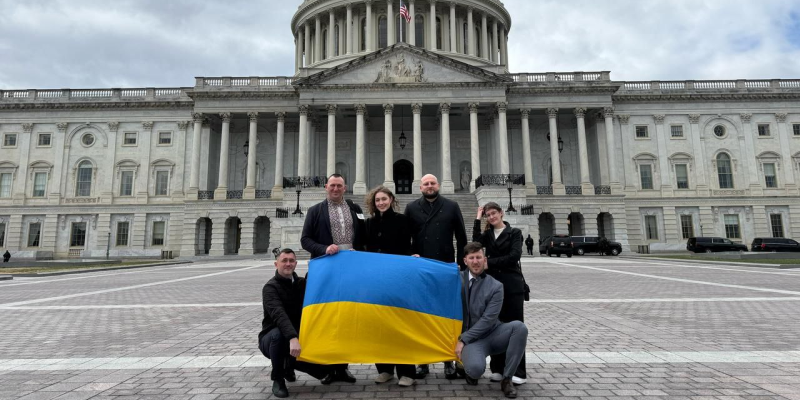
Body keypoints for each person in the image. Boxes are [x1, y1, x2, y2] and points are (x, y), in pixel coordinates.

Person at [300, 173, 364, 383]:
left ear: (345, 188)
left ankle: (343, 367)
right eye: (332, 185)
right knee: (327, 318)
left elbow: (363, 236)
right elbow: (305, 240)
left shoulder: (355, 209)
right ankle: (328, 367)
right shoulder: (315, 211)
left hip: (350, 269)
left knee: (346, 317)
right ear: (326, 187)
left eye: (339, 186)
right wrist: (324, 248)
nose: (336, 189)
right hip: (326, 268)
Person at [404, 174, 468, 379]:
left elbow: (461, 236)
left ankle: (448, 360)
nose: (429, 186)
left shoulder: (451, 205)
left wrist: (460, 265)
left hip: (445, 266)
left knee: (445, 316)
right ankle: (423, 360)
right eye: (426, 184)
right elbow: (406, 238)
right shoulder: (411, 208)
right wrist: (408, 258)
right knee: (421, 316)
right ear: (420, 187)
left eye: (432, 183)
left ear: (438, 185)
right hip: (420, 268)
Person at [456, 242, 528, 399]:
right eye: (472, 258)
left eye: (479, 257)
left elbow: (489, 319)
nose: (476, 261)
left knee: (520, 328)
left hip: (493, 334)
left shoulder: (496, 286)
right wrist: (416, 262)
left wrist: (462, 340)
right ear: (465, 261)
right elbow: (432, 276)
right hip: (473, 340)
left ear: (484, 259)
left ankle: (507, 379)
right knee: (475, 369)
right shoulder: (456, 279)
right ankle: (469, 370)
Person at [258, 249, 332, 398]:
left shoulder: (301, 284)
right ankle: (278, 379)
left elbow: (318, 283)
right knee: (278, 336)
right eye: (284, 260)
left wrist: (337, 258)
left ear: (296, 264)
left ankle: (289, 366)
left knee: (325, 372)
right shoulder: (270, 288)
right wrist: (292, 338)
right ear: (276, 264)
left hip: (297, 338)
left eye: (291, 261)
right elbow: (279, 315)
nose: (288, 264)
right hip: (272, 339)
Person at [364, 186, 417, 387]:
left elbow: (411, 244)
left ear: (391, 199)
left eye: (384, 199)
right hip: (377, 281)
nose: (381, 203)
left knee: (401, 325)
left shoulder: (402, 220)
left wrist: (413, 255)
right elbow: (363, 248)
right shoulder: (369, 223)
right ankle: (385, 369)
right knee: (380, 326)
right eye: (377, 200)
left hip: (398, 279)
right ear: (373, 202)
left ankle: (407, 371)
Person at [473, 202, 527, 384]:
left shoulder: (514, 233)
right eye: (488, 215)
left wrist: (489, 263)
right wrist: (477, 218)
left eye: (493, 213)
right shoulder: (488, 235)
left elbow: (514, 256)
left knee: (516, 328)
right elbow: (474, 245)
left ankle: (518, 371)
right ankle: (497, 368)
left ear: (501, 213)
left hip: (512, 286)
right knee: (495, 327)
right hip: (493, 287)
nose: (492, 217)